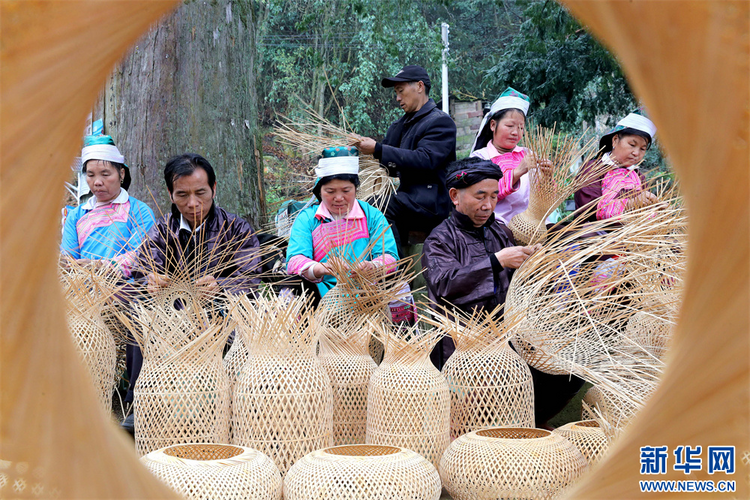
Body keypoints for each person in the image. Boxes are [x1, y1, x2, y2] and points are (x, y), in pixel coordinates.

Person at [422, 157, 584, 428]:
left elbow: (519, 284)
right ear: (455, 196)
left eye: (494, 196)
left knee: (569, 372)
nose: (488, 205)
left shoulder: (499, 232)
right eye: (480, 196)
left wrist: (534, 263)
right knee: (473, 417)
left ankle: (529, 425)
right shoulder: (439, 240)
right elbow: (444, 285)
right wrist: (496, 261)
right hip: (463, 349)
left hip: (509, 341)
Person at [122, 153, 261, 432]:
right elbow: (143, 268)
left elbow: (250, 276)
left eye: (200, 193)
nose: (193, 203)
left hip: (220, 308)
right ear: (171, 195)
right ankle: (141, 403)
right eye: (182, 194)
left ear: (214, 188)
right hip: (171, 309)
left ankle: (229, 406)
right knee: (139, 315)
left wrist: (220, 285)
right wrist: (151, 278)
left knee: (234, 320)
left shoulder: (235, 228)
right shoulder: (163, 230)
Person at [350, 65, 456, 252]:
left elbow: (425, 159)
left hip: (429, 201)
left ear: (420, 87)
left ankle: (392, 271)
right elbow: (389, 165)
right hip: (407, 197)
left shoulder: (440, 121)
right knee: (360, 204)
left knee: (379, 205)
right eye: (396, 93)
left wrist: (378, 149)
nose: (398, 98)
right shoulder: (401, 124)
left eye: (401, 91)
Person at [286, 146, 400, 298]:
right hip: (321, 294)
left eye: (346, 191)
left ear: (355, 189)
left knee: (398, 283)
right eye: (330, 191)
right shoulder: (307, 219)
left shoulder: (372, 216)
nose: (339, 198)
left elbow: (390, 257)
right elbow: (294, 260)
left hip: (366, 292)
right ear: (320, 191)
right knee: (292, 284)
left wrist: (372, 266)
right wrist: (320, 268)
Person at [61, 135, 155, 276]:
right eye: (91, 175)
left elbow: (140, 256)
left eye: (105, 174)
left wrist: (100, 266)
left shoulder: (140, 212)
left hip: (126, 293)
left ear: (121, 174)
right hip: (82, 293)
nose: (97, 182)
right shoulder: (76, 216)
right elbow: (69, 261)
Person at [470, 87, 551, 224]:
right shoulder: (480, 158)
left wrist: (547, 178)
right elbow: (480, 197)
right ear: (493, 125)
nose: (516, 132)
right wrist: (517, 173)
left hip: (533, 224)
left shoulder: (528, 154)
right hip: (497, 224)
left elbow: (543, 198)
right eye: (510, 126)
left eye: (520, 127)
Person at [574, 110, 658, 221]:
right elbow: (589, 208)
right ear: (615, 140)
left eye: (642, 149)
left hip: (632, 234)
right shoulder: (593, 169)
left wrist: (657, 208)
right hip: (597, 234)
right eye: (632, 144)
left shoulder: (638, 176)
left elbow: (645, 210)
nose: (636, 153)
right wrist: (629, 205)